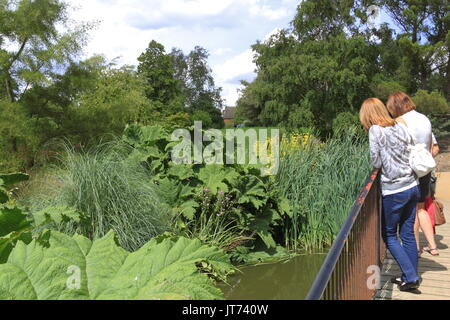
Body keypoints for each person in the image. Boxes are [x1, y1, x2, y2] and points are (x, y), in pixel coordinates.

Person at [359, 97, 421, 292]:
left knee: (389, 236)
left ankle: (410, 276)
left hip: (394, 190)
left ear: (367, 116)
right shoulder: (399, 125)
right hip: (412, 185)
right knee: (408, 233)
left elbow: (376, 162)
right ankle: (410, 274)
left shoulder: (375, 130)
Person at [386, 92, 438, 257]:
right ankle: (431, 246)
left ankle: (414, 249)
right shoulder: (424, 118)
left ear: (395, 106)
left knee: (410, 213)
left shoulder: (401, 122)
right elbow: (431, 145)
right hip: (424, 169)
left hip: (409, 171)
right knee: (420, 208)